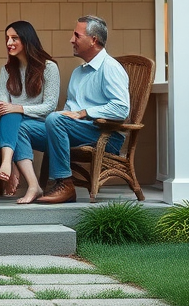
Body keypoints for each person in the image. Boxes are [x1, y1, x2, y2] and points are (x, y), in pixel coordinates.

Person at [34, 15, 130, 204]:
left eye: (77, 36)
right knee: (24, 128)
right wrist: (65, 116)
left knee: (54, 120)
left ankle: (64, 184)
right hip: (75, 130)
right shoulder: (78, 72)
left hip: (105, 135)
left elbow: (121, 108)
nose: (72, 40)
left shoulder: (110, 68)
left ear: (93, 40)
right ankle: (33, 186)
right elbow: (70, 109)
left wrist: (84, 113)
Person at [0, 20, 61, 204]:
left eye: (14, 38)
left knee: (13, 115)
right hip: (12, 126)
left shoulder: (49, 68)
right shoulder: (6, 70)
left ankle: (7, 162)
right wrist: (13, 109)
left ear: (27, 40)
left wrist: (19, 108)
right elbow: (3, 108)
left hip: (43, 128)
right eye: (7, 38)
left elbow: (50, 107)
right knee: (9, 114)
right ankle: (30, 182)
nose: (9, 43)